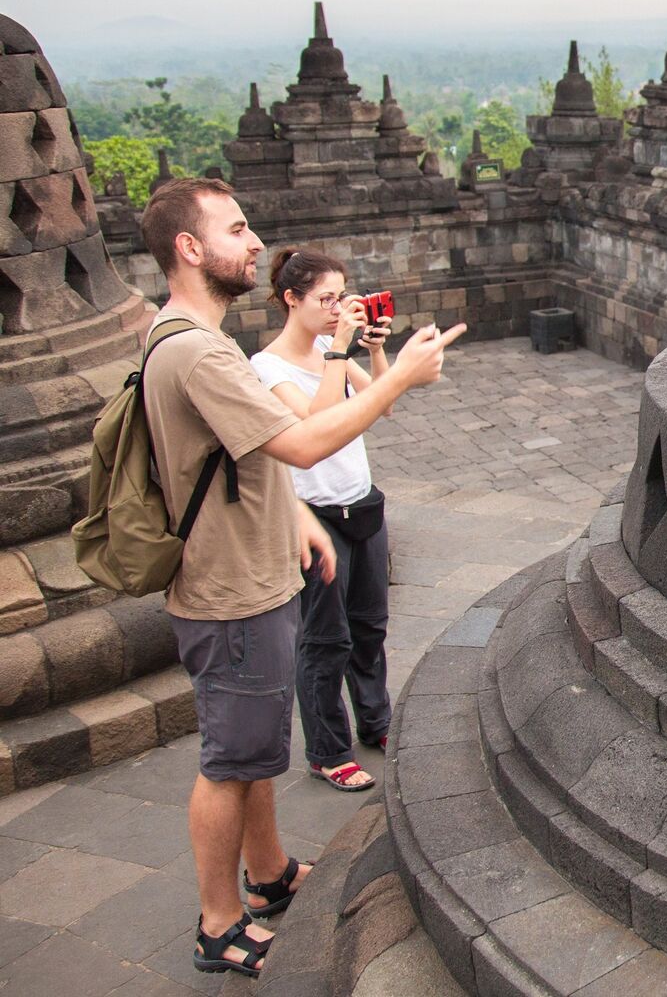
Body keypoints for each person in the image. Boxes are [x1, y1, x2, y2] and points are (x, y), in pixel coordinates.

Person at [136, 177, 465, 977]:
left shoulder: (185, 339)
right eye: (237, 228)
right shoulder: (199, 352)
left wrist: (295, 516)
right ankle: (220, 924)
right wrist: (395, 374)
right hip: (229, 590)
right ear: (189, 247)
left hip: (252, 571)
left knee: (254, 752)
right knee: (230, 759)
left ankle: (271, 872)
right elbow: (302, 444)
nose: (254, 243)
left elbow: (247, 462)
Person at [251, 249, 394, 794]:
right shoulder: (266, 367)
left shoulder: (327, 349)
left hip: (361, 502)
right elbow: (320, 422)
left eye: (342, 296)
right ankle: (328, 749)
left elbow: (382, 406)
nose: (338, 309)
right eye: (325, 299)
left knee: (369, 625)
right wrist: (339, 349)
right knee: (324, 638)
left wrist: (376, 354)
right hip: (315, 515)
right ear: (292, 300)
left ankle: (376, 720)